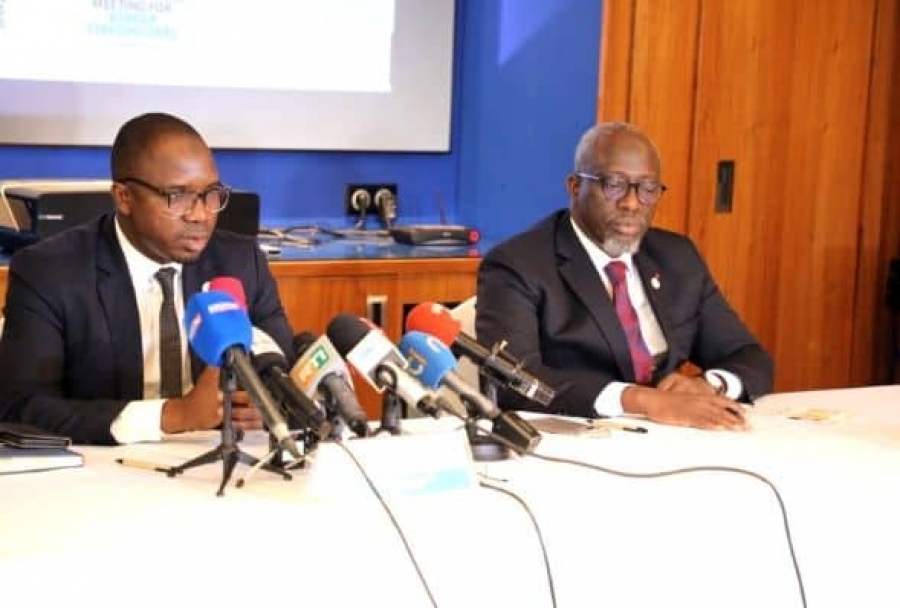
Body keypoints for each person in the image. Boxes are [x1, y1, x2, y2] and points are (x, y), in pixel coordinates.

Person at [0, 112, 294, 444]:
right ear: (124, 197)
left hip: (221, 460)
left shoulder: (240, 262)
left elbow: (285, 372)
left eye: (211, 194)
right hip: (105, 466)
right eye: (178, 196)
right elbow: (20, 409)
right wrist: (173, 416)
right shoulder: (50, 272)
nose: (200, 214)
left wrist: (267, 405)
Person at [476, 122, 773, 430]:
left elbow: (749, 356)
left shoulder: (677, 257)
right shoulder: (519, 264)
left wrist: (709, 385)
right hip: (580, 435)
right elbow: (511, 380)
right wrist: (642, 400)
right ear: (575, 186)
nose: (631, 203)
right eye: (613, 185)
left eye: (648, 189)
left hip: (675, 433)